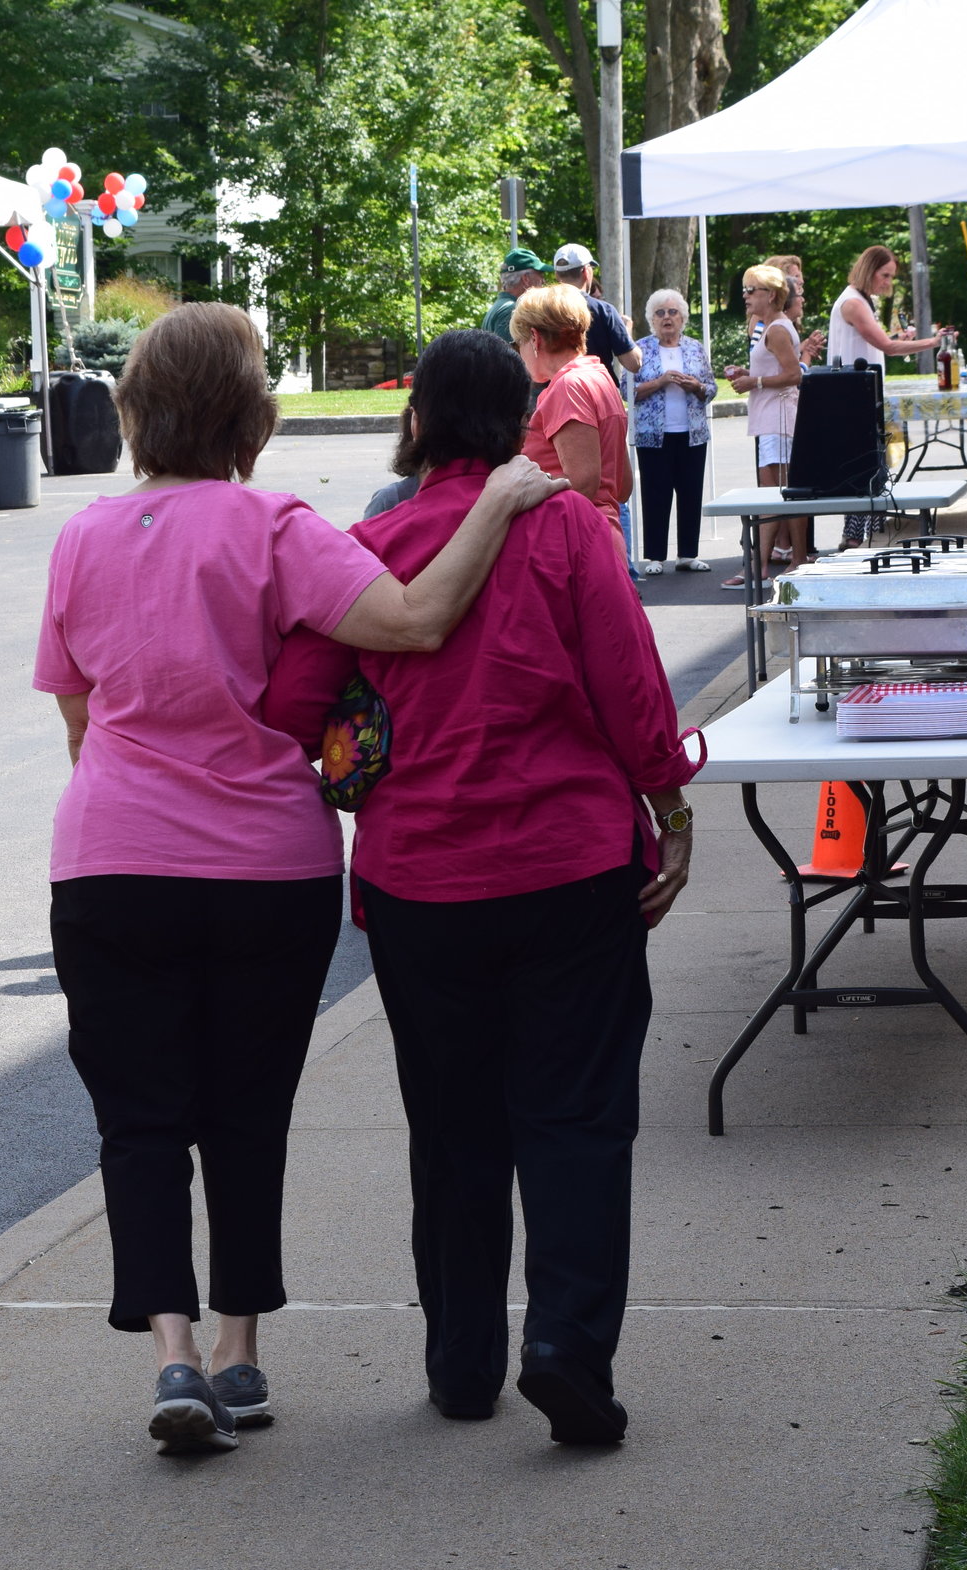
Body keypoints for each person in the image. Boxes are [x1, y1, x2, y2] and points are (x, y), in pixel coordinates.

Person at [34, 303, 565, 1458]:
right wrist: (499, 497)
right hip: (263, 865)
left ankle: (168, 1348)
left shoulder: (81, 538)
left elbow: (80, 721)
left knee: (138, 1120)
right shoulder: (274, 525)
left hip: (111, 859)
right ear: (251, 415)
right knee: (244, 1114)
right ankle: (238, 1354)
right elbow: (418, 618)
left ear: (135, 408)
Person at [264, 328, 699, 1445]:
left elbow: (290, 705)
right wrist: (669, 804)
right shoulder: (565, 528)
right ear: (519, 421)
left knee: (452, 1126)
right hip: (568, 866)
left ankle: (462, 1361)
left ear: (415, 423)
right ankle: (566, 1347)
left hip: (422, 882)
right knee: (577, 1117)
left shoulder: (370, 543)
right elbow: (630, 687)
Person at [827, 245, 946, 547]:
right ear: (870, 270)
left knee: (872, 464)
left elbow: (877, 342)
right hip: (854, 395)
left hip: (859, 392)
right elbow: (886, 347)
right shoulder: (854, 303)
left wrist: (895, 338)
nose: (887, 282)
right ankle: (854, 537)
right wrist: (931, 342)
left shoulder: (860, 301)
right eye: (885, 275)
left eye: (891, 276)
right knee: (865, 465)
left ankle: (860, 533)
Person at [512, 285, 634, 563]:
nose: (519, 352)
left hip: (573, 542)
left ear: (534, 338)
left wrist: (514, 484)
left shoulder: (568, 386)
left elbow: (582, 485)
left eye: (517, 342)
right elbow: (622, 485)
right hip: (601, 537)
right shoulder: (599, 375)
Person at [723, 265, 817, 585]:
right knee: (771, 494)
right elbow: (771, 367)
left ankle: (792, 561)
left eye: (752, 290)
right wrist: (745, 374)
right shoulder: (762, 325)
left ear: (772, 295)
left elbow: (794, 374)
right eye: (745, 290)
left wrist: (756, 382)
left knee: (781, 493)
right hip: (769, 416)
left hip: (779, 417)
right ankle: (762, 565)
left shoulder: (777, 328)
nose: (745, 296)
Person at [632, 288, 717, 575]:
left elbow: (711, 387)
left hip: (692, 433)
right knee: (656, 493)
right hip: (653, 436)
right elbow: (627, 390)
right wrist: (660, 381)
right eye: (660, 313)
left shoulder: (694, 348)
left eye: (672, 312)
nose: (667, 318)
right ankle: (655, 557)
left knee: (691, 492)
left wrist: (696, 386)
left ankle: (688, 554)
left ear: (682, 318)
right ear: (651, 320)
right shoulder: (640, 349)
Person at [548, 243, 642, 380]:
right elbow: (634, 363)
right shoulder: (604, 310)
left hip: (556, 393)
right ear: (587, 272)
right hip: (597, 391)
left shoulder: (542, 309)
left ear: (557, 275)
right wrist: (626, 332)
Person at [482, 249, 549, 346]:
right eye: (540, 275)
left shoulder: (501, 305)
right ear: (526, 278)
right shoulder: (512, 310)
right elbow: (507, 358)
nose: (543, 281)